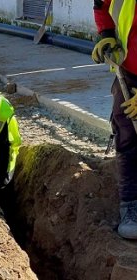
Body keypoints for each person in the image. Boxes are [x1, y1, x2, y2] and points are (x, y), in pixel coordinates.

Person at [92, 0, 137, 239]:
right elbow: (102, 7)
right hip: (129, 71)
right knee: (127, 137)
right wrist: (106, 34)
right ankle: (130, 206)